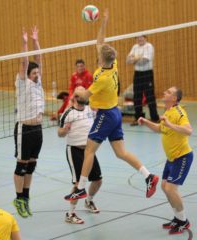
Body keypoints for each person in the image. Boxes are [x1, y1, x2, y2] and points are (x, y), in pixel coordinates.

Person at [64, 9, 159, 202]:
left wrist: (77, 92)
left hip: (106, 115)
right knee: (121, 153)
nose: (97, 52)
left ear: (101, 59)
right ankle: (149, 176)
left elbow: (83, 98)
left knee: (89, 150)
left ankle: (80, 188)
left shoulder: (102, 79)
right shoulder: (112, 64)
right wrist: (104, 22)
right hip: (114, 112)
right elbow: (100, 42)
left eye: (99, 53)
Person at [138, 86, 193, 235]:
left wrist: (170, 124)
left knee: (170, 188)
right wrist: (146, 121)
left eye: (168, 92)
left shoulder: (179, 112)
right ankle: (177, 218)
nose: (164, 93)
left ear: (174, 98)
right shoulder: (168, 112)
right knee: (164, 186)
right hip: (171, 159)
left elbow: (189, 130)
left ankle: (183, 221)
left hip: (182, 157)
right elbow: (160, 129)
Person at [58, 86, 102, 224]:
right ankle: (70, 214)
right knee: (79, 184)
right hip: (74, 150)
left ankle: (89, 201)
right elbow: (59, 133)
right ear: (76, 97)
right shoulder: (68, 113)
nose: (83, 96)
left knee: (98, 180)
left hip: (89, 150)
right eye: (80, 94)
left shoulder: (90, 110)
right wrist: (65, 130)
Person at [13, 26, 44, 218]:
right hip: (23, 128)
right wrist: (25, 44)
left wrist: (35, 40)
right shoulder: (22, 82)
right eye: (35, 73)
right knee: (21, 165)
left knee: (31, 165)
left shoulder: (38, 81)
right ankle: (18, 198)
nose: (38, 74)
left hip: (38, 129)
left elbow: (39, 58)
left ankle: (25, 197)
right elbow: (25, 62)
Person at [126, 35, 159, 126]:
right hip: (137, 74)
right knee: (137, 97)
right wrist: (137, 58)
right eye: (137, 38)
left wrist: (134, 59)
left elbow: (145, 60)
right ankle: (138, 118)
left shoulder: (149, 46)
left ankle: (155, 118)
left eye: (141, 37)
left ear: (145, 38)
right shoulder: (135, 47)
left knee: (150, 96)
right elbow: (128, 61)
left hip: (147, 74)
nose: (140, 39)